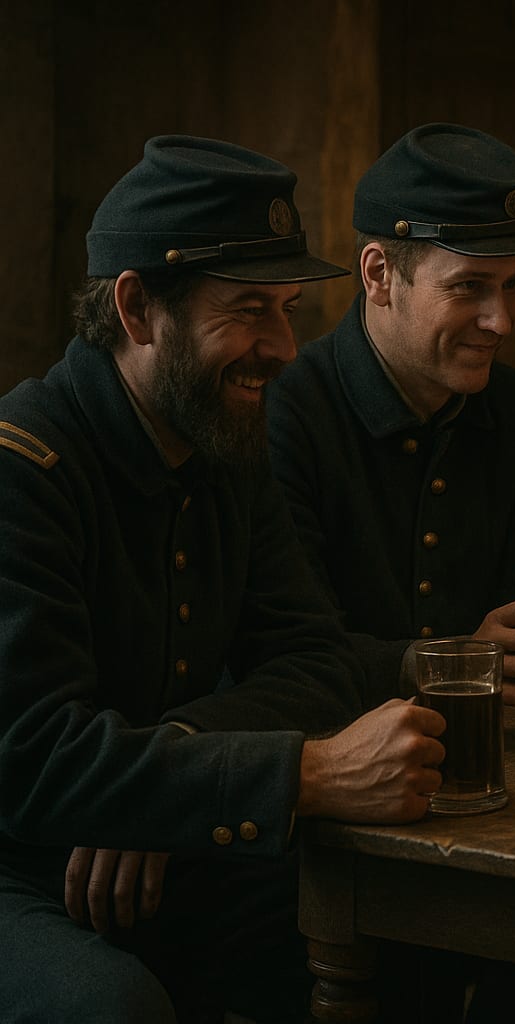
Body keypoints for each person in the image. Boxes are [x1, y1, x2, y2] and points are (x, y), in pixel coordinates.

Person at [0, 136, 447, 1023]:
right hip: (17, 870)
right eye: (249, 312)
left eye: (286, 310)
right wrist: (301, 776)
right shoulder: (23, 467)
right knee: (110, 1008)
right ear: (137, 309)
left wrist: (169, 780)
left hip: (162, 852)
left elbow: (318, 660)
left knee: (407, 927)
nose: (282, 348)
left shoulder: (222, 444)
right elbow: (29, 761)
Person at [267, 123, 515, 711]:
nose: (503, 321)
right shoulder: (284, 414)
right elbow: (283, 650)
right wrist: (448, 663)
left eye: (514, 287)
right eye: (470, 287)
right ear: (379, 274)